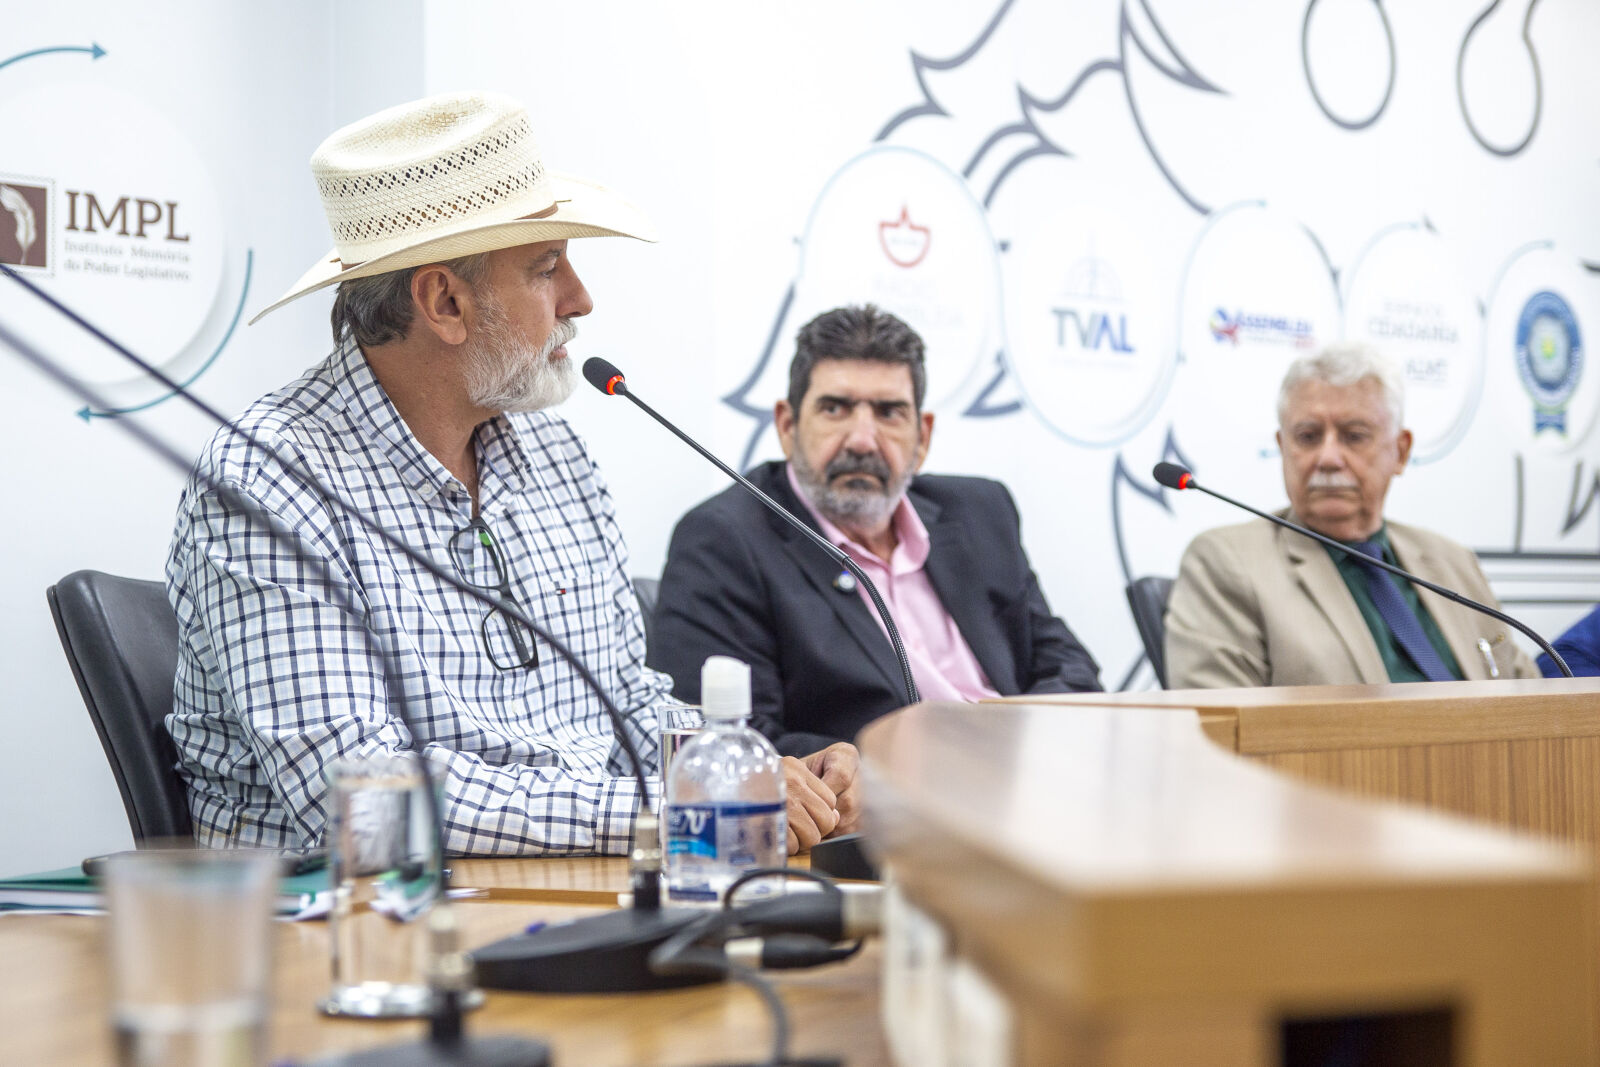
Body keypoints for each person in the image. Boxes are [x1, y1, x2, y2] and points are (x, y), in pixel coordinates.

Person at [166, 91, 857, 857]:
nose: (580, 297)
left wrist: (756, 766)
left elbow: (627, 705)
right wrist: (672, 803)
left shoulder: (556, 457)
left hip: (573, 887)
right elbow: (357, 797)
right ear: (445, 300)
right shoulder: (267, 481)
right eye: (546, 266)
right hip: (354, 938)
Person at [650, 304, 1101, 755]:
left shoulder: (980, 512)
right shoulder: (725, 540)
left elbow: (1072, 668)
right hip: (883, 813)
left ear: (922, 436)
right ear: (788, 426)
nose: (862, 440)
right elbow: (729, 744)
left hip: (1021, 784)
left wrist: (1017, 747)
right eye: (835, 408)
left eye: (889, 413)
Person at [1165, 343, 1539, 688]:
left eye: (1354, 435)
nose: (1328, 457)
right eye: (1308, 436)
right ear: (1283, 447)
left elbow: (1533, 704)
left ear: (1401, 451)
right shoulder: (1228, 564)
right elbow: (1223, 733)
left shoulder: (1453, 562)